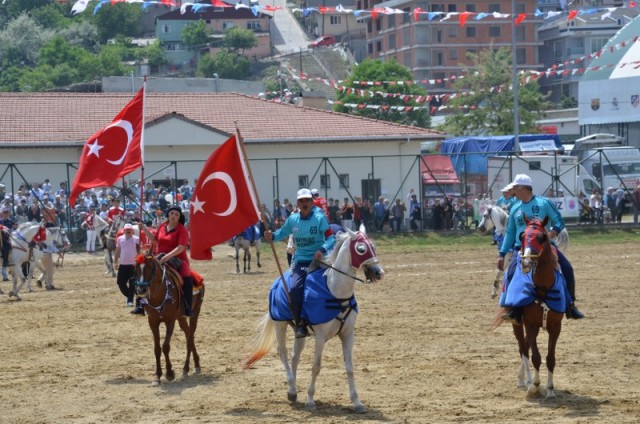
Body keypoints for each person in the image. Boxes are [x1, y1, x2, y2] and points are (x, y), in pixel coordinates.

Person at [497, 174, 584, 322]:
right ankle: (511, 309)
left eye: (515, 188)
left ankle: (570, 305)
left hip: (545, 248)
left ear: (523, 188)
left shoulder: (544, 203)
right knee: (510, 274)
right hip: (522, 250)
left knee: (568, 269)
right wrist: (502, 253)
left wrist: (550, 235)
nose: (513, 192)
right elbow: (510, 233)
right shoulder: (515, 208)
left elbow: (559, 222)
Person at [264, 188, 336, 338]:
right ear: (297, 203)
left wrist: (322, 249)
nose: (304, 203)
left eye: (307, 201)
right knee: (296, 289)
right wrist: (272, 236)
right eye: (301, 201)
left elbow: (331, 238)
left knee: (336, 283)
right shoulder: (292, 220)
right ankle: (300, 324)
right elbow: (281, 234)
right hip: (301, 261)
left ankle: (339, 315)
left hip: (320, 260)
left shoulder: (320, 218)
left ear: (311, 202)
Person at [139, 206, 193, 317]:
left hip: (178, 259)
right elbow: (155, 241)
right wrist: (144, 228)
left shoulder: (182, 229)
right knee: (144, 272)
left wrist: (168, 256)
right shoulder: (162, 226)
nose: (173, 216)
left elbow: (181, 247)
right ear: (168, 215)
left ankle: (187, 307)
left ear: (179, 217)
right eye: (172, 213)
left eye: (176, 214)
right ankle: (140, 304)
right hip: (160, 256)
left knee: (187, 279)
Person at [114, 223, 140, 310]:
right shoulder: (120, 239)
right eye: (126, 230)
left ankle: (130, 300)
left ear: (132, 230)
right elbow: (117, 251)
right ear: (124, 230)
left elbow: (139, 251)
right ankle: (130, 295)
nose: (128, 231)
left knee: (132, 283)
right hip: (123, 264)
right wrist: (115, 262)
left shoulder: (137, 239)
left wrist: (139, 262)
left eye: (129, 229)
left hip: (133, 265)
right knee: (120, 283)